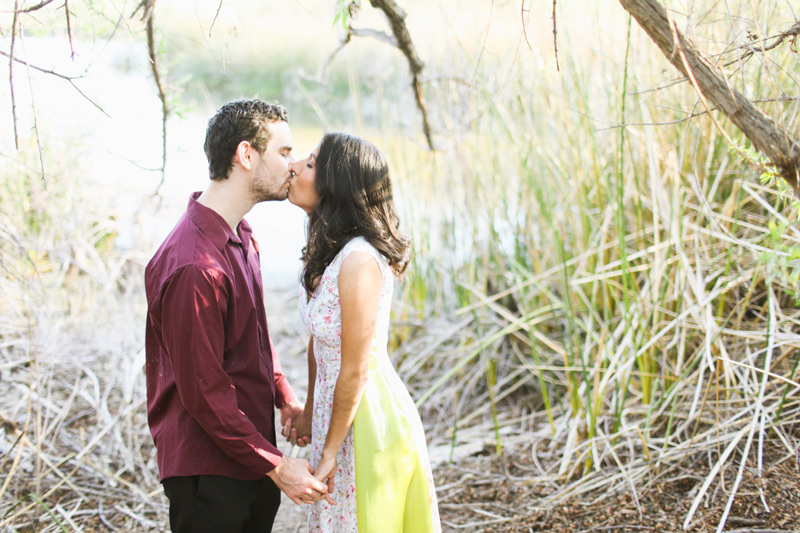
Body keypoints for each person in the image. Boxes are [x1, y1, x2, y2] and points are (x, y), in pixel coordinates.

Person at [144, 98, 331, 533]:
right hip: (208, 470)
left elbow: (253, 336)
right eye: (284, 153)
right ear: (246, 155)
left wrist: (283, 395)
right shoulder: (194, 266)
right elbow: (204, 392)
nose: (293, 165)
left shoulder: (241, 234)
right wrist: (279, 466)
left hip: (250, 453)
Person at [283, 132, 442, 532]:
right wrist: (307, 411)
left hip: (367, 414)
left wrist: (332, 449)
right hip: (335, 411)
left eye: (311, 163)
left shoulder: (358, 261)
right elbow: (320, 341)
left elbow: (355, 369)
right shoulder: (334, 252)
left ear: (337, 184)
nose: (295, 166)